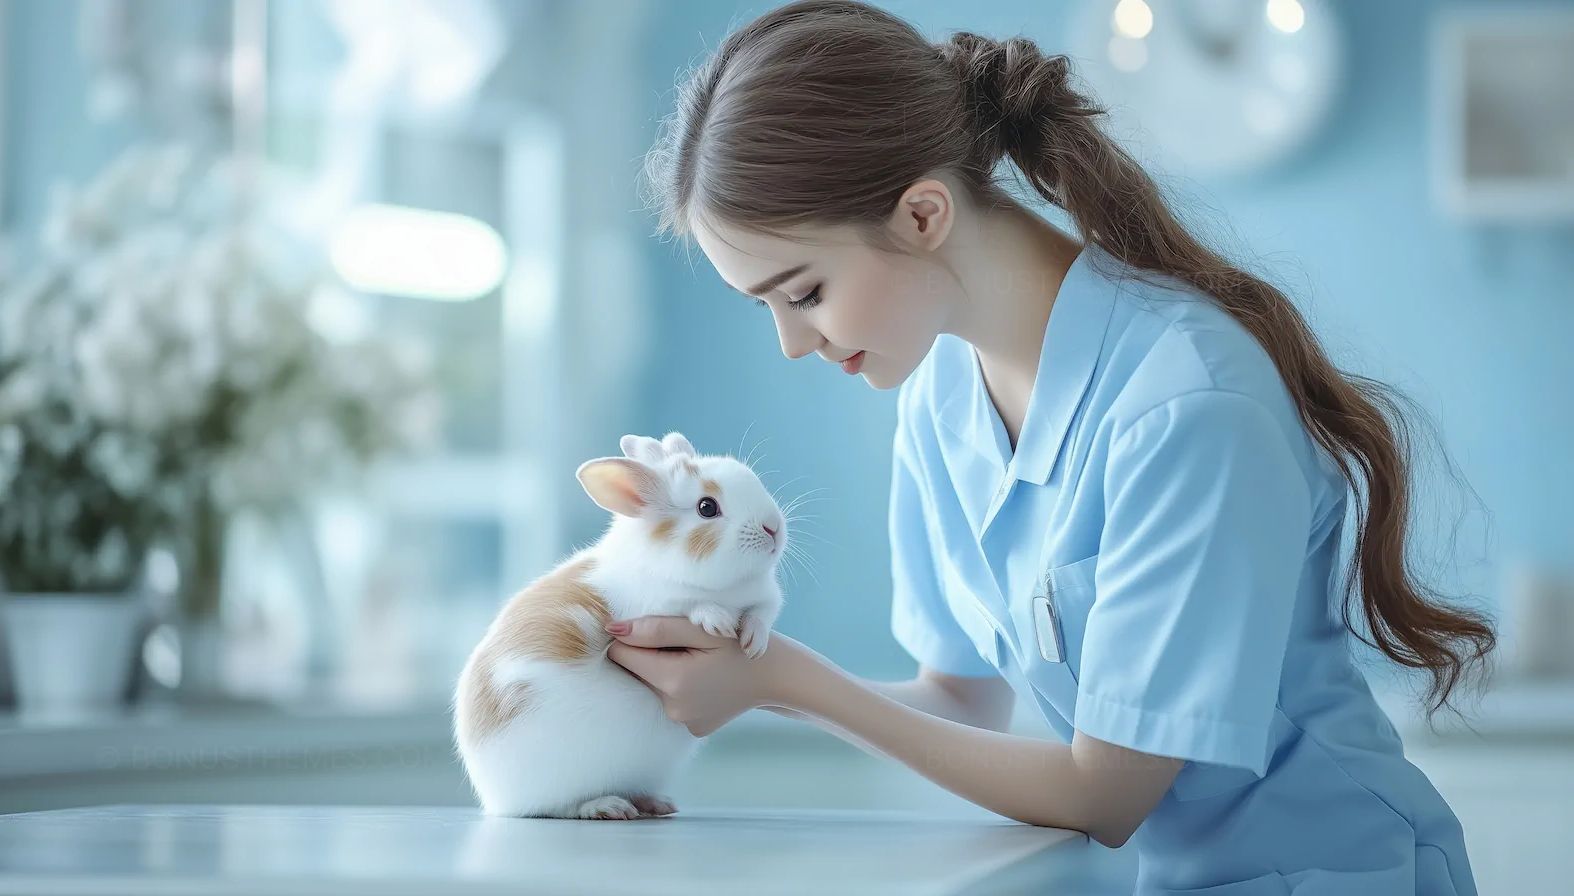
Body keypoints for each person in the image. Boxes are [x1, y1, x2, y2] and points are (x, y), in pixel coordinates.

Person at [604, 2, 1495, 892]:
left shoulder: (1190, 407)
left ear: (922, 216)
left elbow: (1106, 794)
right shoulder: (939, 398)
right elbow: (962, 702)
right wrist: (732, 669)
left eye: (802, 292)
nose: (793, 345)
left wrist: (782, 681)